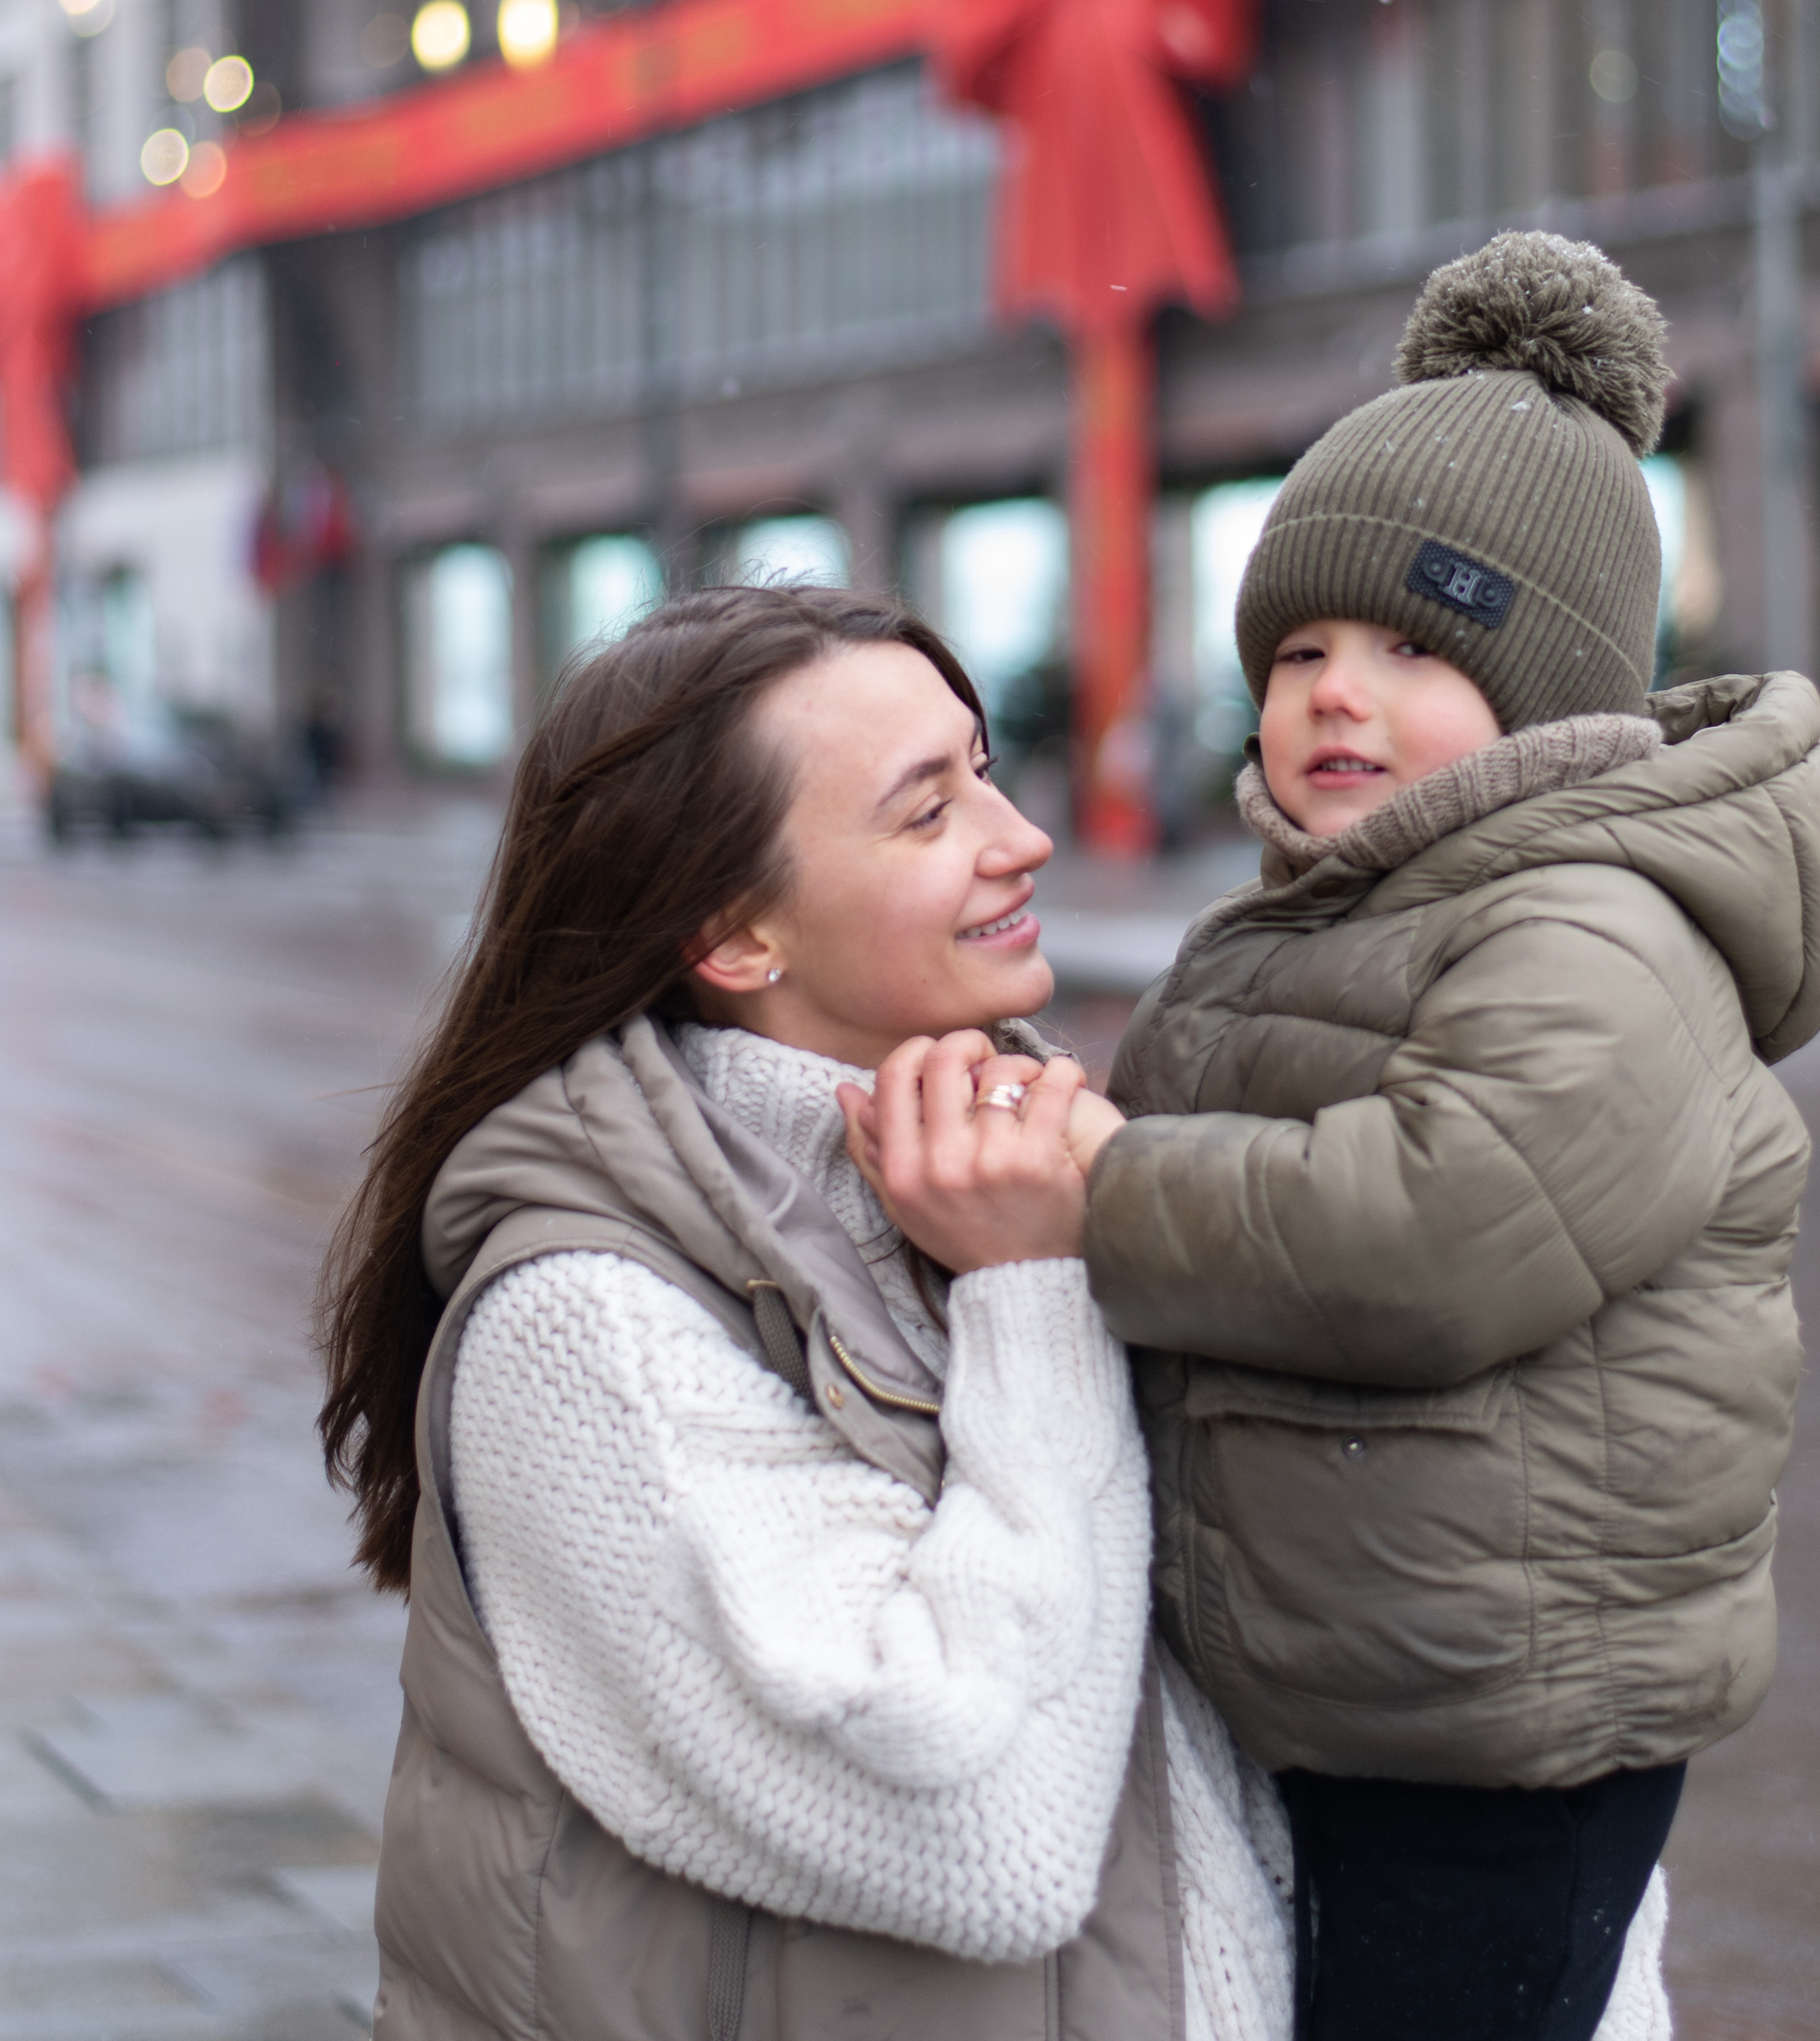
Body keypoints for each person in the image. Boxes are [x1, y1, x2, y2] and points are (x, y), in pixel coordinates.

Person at [850, 232, 1820, 2041]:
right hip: (1358, 1672)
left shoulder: (1599, 926)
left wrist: (1092, 1195)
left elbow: (1437, 1229)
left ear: (1549, 692)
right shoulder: (1316, 917)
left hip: (1500, 1716)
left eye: (1410, 645)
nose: (1332, 689)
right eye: (1298, 643)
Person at [317, 586, 1293, 2041]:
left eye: (985, 766)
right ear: (734, 934)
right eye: (924, 812)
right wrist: (1032, 1294)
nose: (1020, 836)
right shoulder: (584, 1329)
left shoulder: (1012, 1161)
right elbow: (988, 1838)